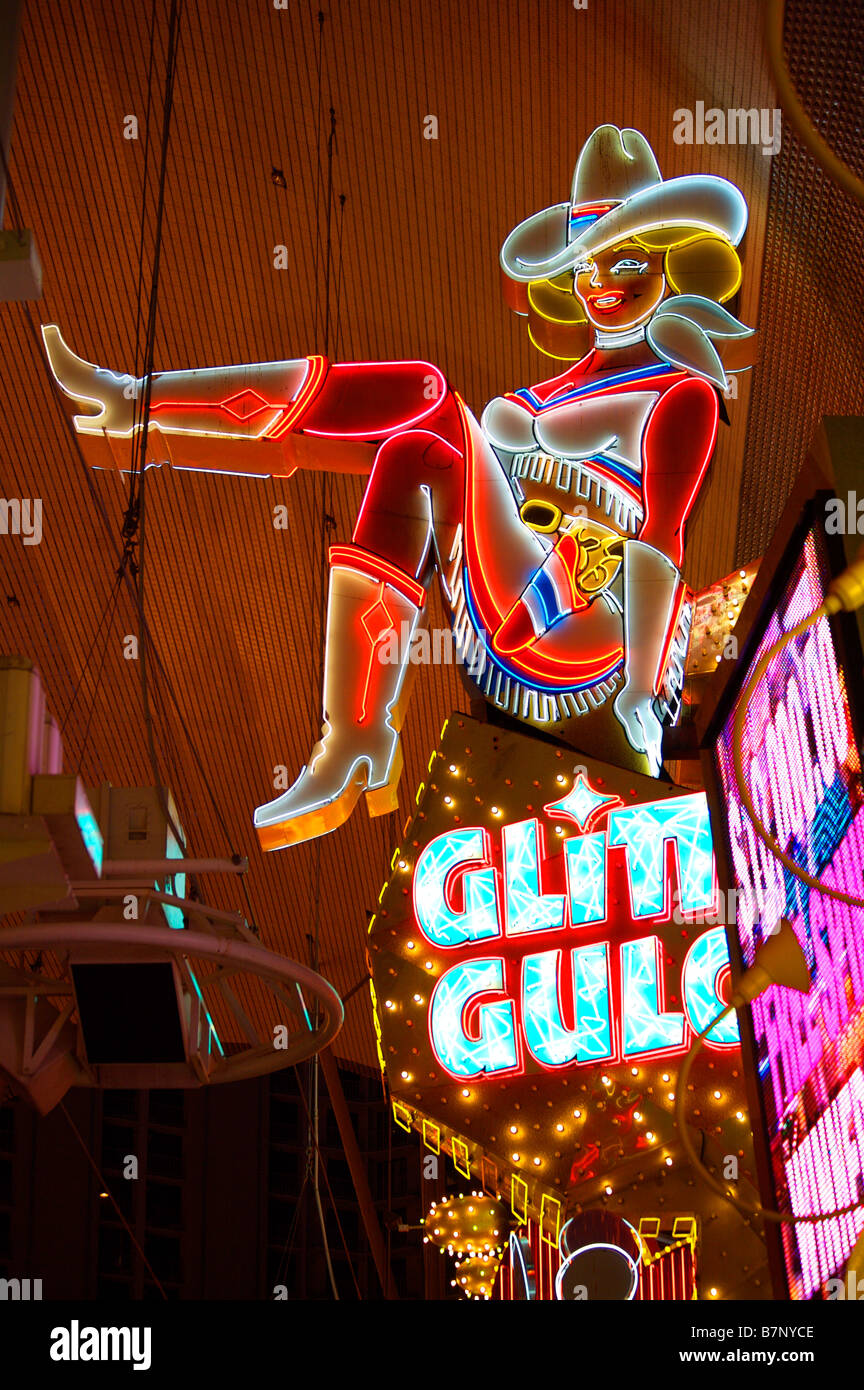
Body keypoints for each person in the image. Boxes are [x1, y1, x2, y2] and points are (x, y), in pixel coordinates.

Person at [42, 125, 752, 851]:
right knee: (416, 443)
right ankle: (354, 738)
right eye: (587, 264)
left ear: (670, 262)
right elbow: (410, 461)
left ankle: (142, 400)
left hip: (591, 621)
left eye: (626, 258)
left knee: (426, 397)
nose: (604, 282)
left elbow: (661, 535)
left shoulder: (682, 393)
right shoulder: (544, 392)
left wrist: (640, 688)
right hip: (509, 600)